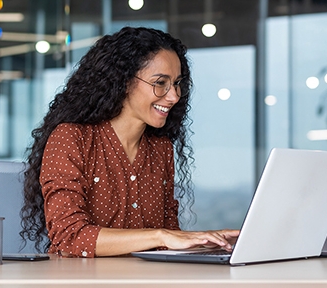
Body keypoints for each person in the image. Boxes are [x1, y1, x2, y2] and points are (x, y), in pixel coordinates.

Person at [20, 26, 239, 257]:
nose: (174, 96)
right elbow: (70, 237)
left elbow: (167, 242)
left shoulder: (161, 149)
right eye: (160, 83)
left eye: (176, 83)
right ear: (123, 81)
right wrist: (160, 235)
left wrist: (207, 242)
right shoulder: (71, 138)